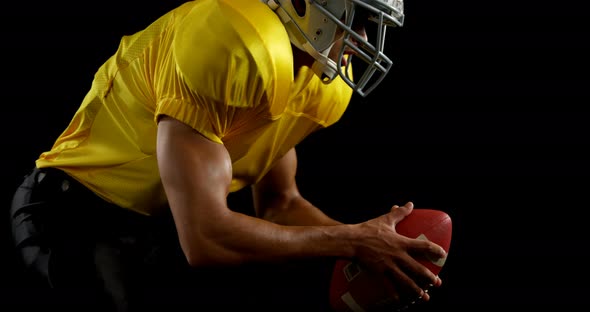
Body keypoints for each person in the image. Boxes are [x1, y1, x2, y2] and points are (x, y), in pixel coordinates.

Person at [9, 0, 447, 311]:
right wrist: (352, 241)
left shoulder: (316, 82)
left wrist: (375, 249)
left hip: (157, 232)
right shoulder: (233, 41)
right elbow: (207, 239)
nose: (365, 41)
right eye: (362, 20)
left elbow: (281, 206)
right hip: (74, 213)